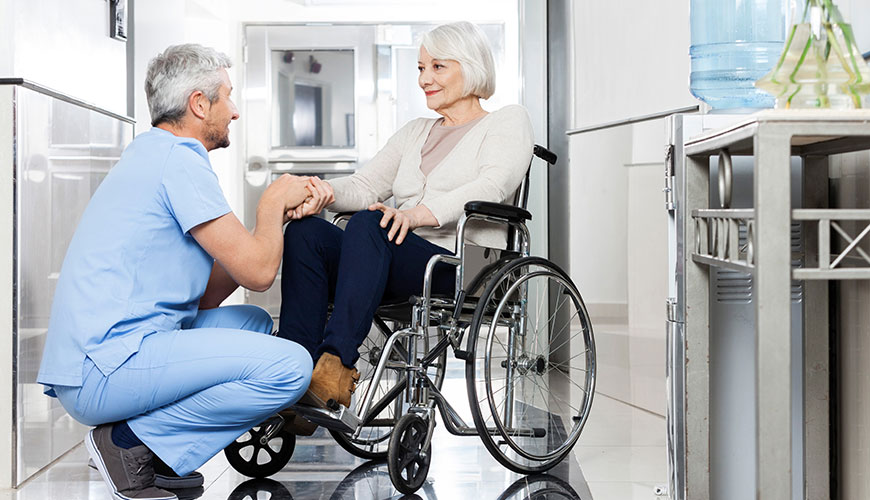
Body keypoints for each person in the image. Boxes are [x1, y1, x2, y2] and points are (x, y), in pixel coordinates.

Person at [36, 44, 330, 500]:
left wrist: (273, 224)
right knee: (290, 367)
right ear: (199, 103)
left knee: (251, 324)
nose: (233, 112)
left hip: (104, 356)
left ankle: (151, 449)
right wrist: (271, 204)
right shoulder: (180, 161)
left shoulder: (152, 154)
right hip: (106, 369)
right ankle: (127, 443)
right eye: (227, 97)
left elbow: (207, 295)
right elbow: (258, 274)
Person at [277, 21, 534, 422]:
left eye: (437, 67)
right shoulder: (416, 131)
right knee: (306, 232)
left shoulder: (506, 121)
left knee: (369, 223)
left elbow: (493, 183)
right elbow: (366, 184)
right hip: (390, 257)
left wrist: (415, 215)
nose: (424, 79)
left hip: (457, 265)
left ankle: (333, 368)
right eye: (420, 68)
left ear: (470, 67)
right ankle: (291, 373)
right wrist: (319, 193)